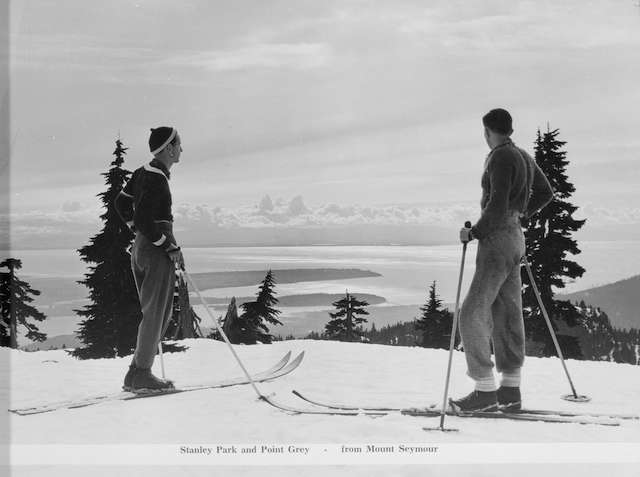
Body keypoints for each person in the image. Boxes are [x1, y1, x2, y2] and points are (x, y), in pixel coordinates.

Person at [450, 109, 554, 412]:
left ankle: (484, 390)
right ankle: (511, 390)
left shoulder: (498, 157)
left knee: (471, 311)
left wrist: (474, 233)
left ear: (487, 131)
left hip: (496, 240)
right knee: (508, 311)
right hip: (515, 238)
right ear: (509, 128)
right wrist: (521, 214)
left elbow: (495, 205)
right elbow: (546, 192)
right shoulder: (522, 155)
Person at [114, 126, 185, 393]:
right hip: (156, 250)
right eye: (178, 144)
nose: (181, 149)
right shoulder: (157, 178)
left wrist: (137, 229)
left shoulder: (142, 172)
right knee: (157, 315)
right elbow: (146, 218)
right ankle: (142, 374)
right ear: (168, 148)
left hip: (141, 248)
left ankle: (135, 374)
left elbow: (120, 204)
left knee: (150, 313)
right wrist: (168, 246)